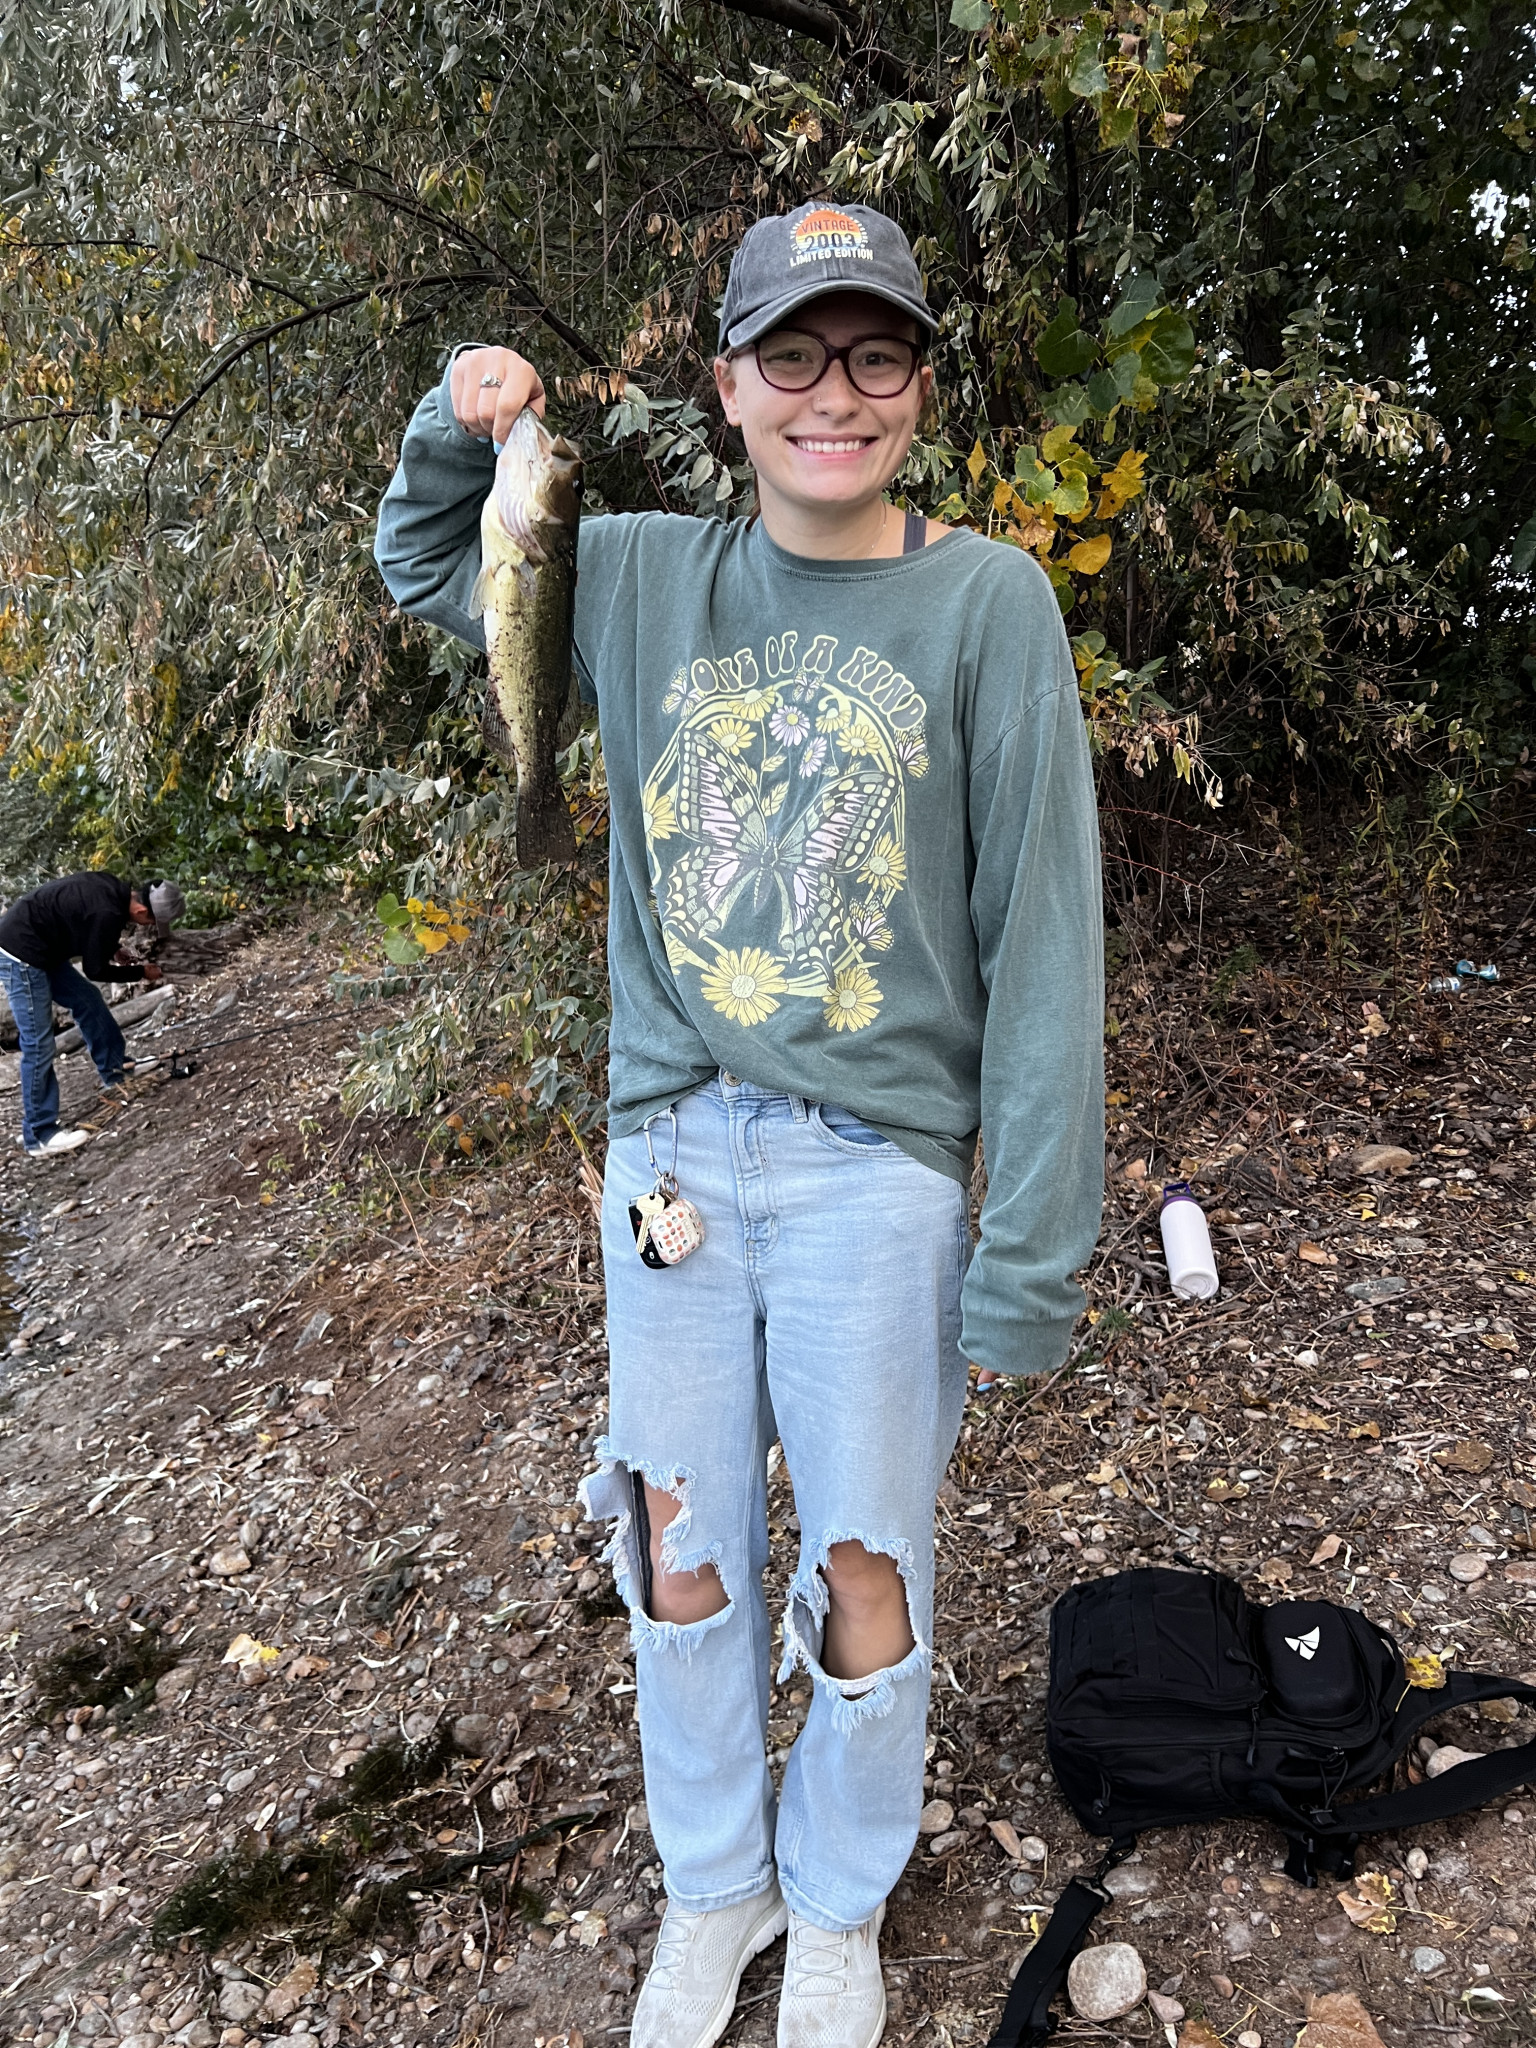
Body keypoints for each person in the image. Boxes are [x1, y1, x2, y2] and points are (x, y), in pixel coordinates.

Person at [376, 201, 1103, 2048]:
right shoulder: (623, 573)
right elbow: (426, 564)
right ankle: (717, 1882)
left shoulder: (989, 606)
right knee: (679, 1551)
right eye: (793, 354)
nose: (831, 395)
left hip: (880, 1181)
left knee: (866, 1563)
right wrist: (460, 422)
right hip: (672, 1165)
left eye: (874, 354)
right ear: (728, 386)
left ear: (918, 387)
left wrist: (1031, 1251)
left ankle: (839, 1897)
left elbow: (1045, 941)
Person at [0, 874, 185, 1157]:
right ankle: (39, 1134)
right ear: (140, 910)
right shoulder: (108, 911)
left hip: (43, 947)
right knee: (38, 1043)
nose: (148, 927)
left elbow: (83, 921)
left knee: (88, 1000)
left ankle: (116, 1070)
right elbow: (95, 969)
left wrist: (114, 949)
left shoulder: (113, 891)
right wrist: (139, 973)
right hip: (21, 955)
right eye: (151, 922)